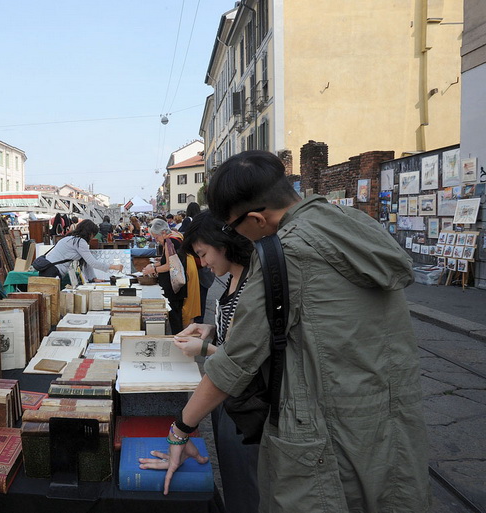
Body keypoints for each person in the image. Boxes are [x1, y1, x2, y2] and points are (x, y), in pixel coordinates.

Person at [141, 151, 430, 511]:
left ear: (257, 219)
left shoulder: (285, 253)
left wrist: (179, 430)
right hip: (390, 416)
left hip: (326, 426)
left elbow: (236, 362)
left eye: (232, 227)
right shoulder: (353, 221)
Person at [171, 210, 259, 513]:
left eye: (203, 253)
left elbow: (246, 359)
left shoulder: (252, 284)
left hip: (245, 400)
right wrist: (211, 329)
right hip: (226, 396)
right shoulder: (234, 277)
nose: (204, 263)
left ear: (223, 242)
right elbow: (233, 336)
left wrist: (205, 347)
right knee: (233, 476)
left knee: (246, 482)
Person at [142, 218, 190, 334]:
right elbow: (166, 261)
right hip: (175, 284)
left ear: (163, 232)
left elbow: (169, 265)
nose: (156, 240)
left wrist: (153, 269)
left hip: (173, 285)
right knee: (176, 315)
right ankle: (178, 340)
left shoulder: (170, 241)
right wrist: (153, 266)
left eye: (156, 237)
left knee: (175, 317)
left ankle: (177, 341)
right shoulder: (174, 237)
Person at [36, 219, 122, 282]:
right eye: (93, 235)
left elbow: (86, 263)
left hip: (48, 269)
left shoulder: (71, 238)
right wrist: (114, 266)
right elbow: (92, 262)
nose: (92, 238)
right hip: (52, 272)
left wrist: (93, 278)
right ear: (90, 233)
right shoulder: (79, 242)